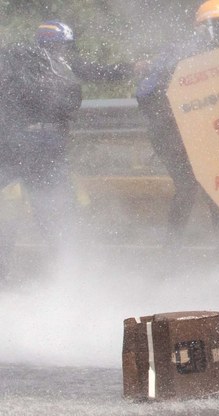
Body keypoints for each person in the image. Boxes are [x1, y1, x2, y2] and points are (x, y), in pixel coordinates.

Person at [0, 20, 133, 278]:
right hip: (41, 147)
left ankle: (18, 270)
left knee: (29, 210)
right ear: (57, 45)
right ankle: (64, 270)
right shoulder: (52, 67)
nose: (66, 51)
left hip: (23, 147)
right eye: (64, 47)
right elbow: (94, 75)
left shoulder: (23, 63)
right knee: (47, 209)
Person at [135, 0, 219, 248]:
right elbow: (145, 93)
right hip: (171, 132)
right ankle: (173, 251)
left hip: (201, 134)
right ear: (209, 27)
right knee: (189, 187)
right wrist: (175, 120)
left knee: (217, 187)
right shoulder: (180, 53)